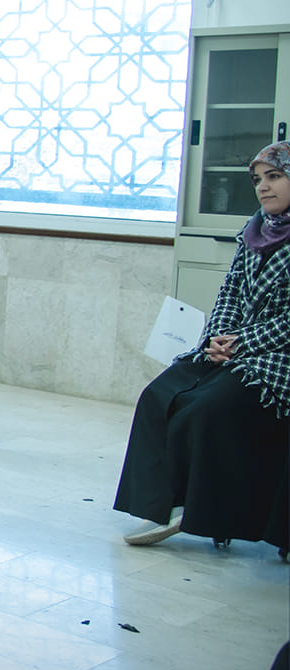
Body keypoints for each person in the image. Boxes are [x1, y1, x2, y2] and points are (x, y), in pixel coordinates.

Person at [114, 142, 290, 554]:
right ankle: (158, 505)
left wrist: (241, 343)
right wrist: (217, 337)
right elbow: (229, 291)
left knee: (207, 406)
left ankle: (196, 508)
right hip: (235, 346)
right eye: (257, 180)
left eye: (275, 176)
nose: (263, 187)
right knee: (159, 394)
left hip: (277, 358)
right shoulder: (255, 230)